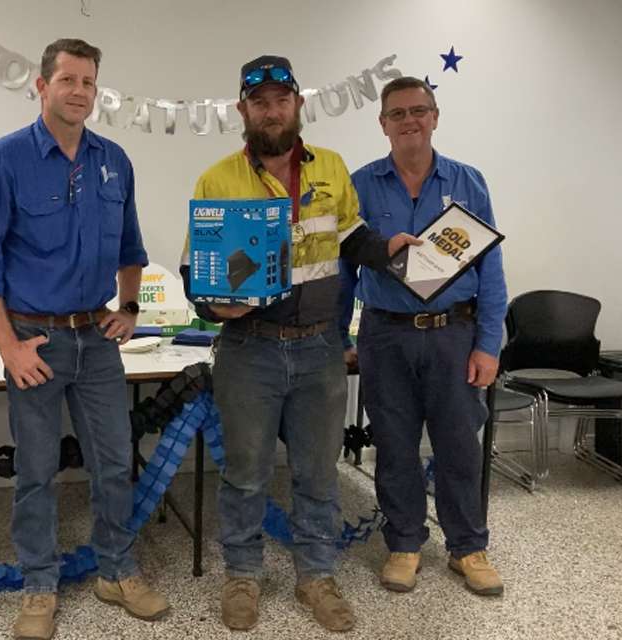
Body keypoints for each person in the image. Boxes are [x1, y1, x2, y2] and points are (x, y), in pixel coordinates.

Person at [179, 55, 417, 632]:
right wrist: (213, 305)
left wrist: (389, 249)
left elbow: (354, 238)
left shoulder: (332, 170)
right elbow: (197, 271)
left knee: (318, 472)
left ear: (297, 106)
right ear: (243, 110)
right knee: (246, 472)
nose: (271, 110)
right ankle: (242, 575)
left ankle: (316, 575)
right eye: (259, 102)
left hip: (319, 349)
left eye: (281, 99)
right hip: (248, 348)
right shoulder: (217, 179)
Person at [0, 38, 169, 640]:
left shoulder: (114, 161)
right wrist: (8, 347)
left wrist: (128, 307)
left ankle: (117, 570)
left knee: (112, 463)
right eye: (68, 80)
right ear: (42, 86)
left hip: (96, 338)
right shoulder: (6, 159)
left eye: (89, 82)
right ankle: (39, 586)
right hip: (34, 340)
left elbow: (131, 250)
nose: (79, 92)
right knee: (36, 470)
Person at [344, 75, 508, 596]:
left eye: (419, 110)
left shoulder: (468, 181)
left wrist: (488, 343)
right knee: (393, 445)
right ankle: (405, 544)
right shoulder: (361, 184)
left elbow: (492, 266)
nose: (409, 120)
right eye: (398, 113)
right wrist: (337, 337)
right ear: (383, 124)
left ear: (434, 117)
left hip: (452, 334)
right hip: (384, 336)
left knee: (459, 444)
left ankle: (468, 547)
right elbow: (346, 265)